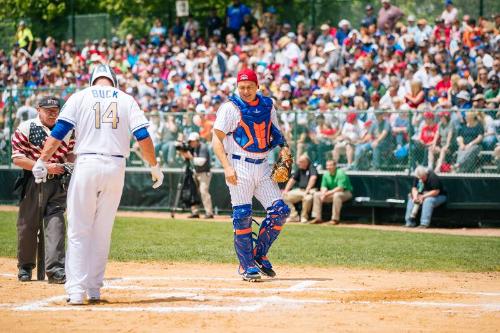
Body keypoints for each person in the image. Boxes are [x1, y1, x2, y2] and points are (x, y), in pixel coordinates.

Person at [32, 64, 164, 305]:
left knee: (79, 230)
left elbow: (60, 130)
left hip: (87, 163)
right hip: (116, 166)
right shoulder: (126, 99)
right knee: (102, 231)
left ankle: (75, 291)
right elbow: (143, 136)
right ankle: (94, 289)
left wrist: (42, 159)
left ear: (93, 80)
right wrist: (154, 166)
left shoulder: (80, 96)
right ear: (113, 80)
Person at [212, 68, 290, 281]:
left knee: (280, 212)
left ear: (258, 86)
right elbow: (216, 140)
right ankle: (246, 265)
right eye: (242, 87)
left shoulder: (267, 104)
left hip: (263, 165)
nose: (245, 91)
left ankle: (259, 254)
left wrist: (283, 147)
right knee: (243, 215)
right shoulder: (230, 108)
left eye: (249, 86)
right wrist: (227, 167)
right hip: (239, 166)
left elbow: (274, 131)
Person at [11, 96, 74, 283]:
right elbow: (17, 158)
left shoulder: (67, 129)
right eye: (48, 109)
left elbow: (71, 153)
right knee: (28, 224)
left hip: (57, 182)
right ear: (38, 109)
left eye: (55, 109)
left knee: (56, 223)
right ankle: (25, 266)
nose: (52, 113)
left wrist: (70, 164)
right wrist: (45, 166)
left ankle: (55, 270)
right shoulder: (26, 128)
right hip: (32, 180)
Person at [181, 132, 214, 219]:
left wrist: (190, 157)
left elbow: (202, 161)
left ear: (197, 140)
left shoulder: (203, 147)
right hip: (195, 172)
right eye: (190, 141)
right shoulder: (193, 148)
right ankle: (195, 212)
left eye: (192, 141)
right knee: (193, 192)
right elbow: (188, 159)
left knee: (203, 191)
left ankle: (209, 213)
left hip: (204, 173)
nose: (191, 143)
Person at [311, 160, 353, 225]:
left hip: (346, 193)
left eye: (330, 165)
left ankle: (335, 219)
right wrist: (323, 193)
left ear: (335, 166)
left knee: (337, 195)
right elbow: (323, 186)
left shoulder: (340, 173)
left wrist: (326, 194)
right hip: (332, 193)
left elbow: (340, 188)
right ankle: (317, 218)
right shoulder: (326, 174)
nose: (328, 167)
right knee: (317, 194)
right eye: (327, 165)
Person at [282, 155, 318, 224]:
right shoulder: (299, 169)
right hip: (300, 190)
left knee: (308, 198)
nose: (298, 163)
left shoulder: (311, 167)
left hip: (311, 190)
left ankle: (304, 217)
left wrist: (307, 190)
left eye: (300, 162)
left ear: (306, 162)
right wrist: (286, 190)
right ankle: (294, 216)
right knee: (283, 196)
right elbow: (292, 180)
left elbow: (313, 178)